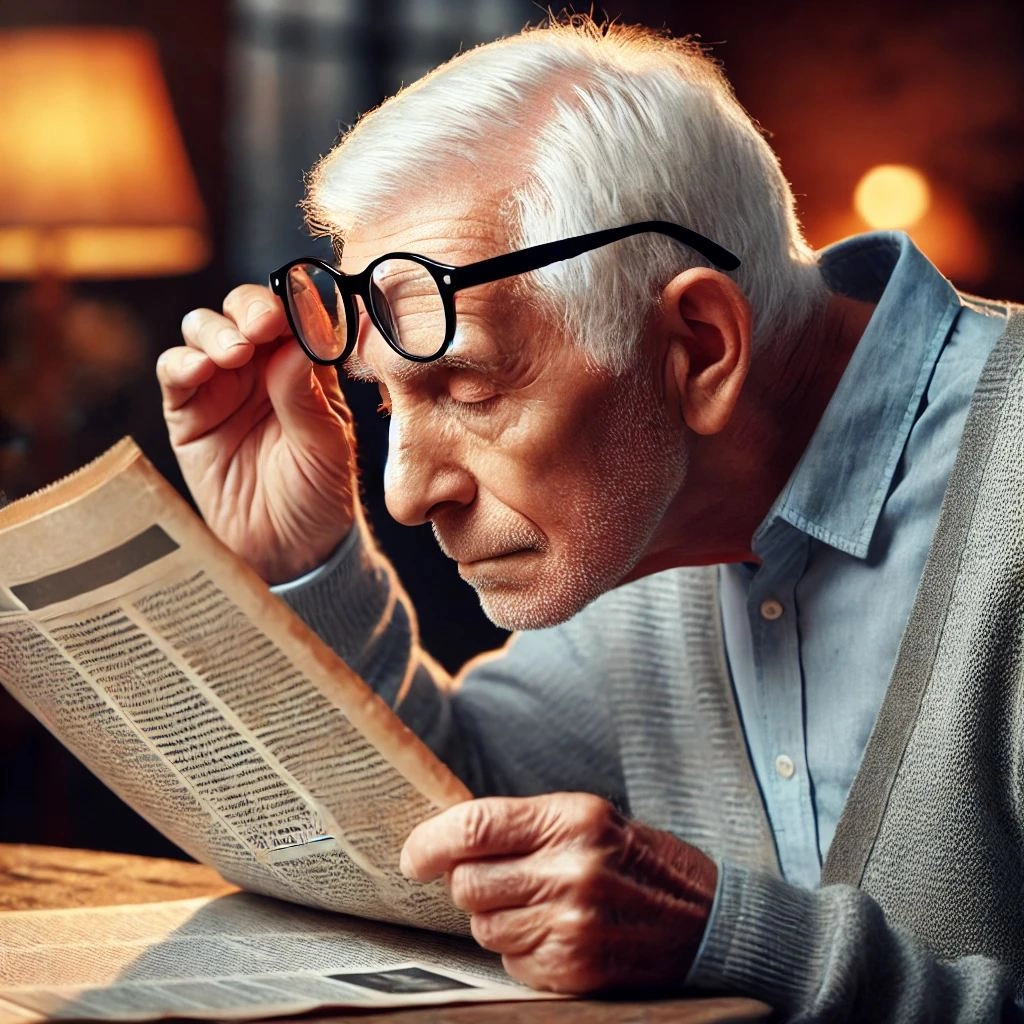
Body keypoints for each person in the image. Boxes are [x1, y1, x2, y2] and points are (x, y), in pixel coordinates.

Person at [156, 17, 1024, 1023]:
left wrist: (736, 944)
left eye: (468, 387)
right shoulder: (650, 516)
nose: (403, 493)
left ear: (700, 348)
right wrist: (305, 557)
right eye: (387, 399)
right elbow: (456, 828)